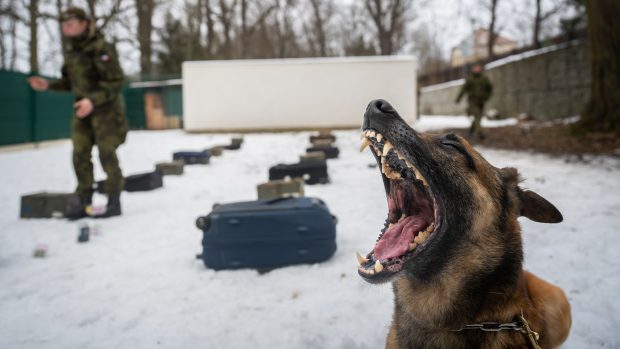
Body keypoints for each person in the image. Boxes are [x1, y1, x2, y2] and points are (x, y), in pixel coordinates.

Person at [28, 7, 128, 219]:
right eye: (63, 24)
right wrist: (48, 85)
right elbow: (69, 83)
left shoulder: (101, 48)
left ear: (84, 23)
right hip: (82, 109)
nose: (66, 27)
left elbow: (116, 82)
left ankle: (113, 200)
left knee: (106, 152)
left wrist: (92, 100)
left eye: (71, 22)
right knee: (79, 153)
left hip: (106, 110)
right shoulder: (72, 52)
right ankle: (84, 200)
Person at [455, 64, 493, 140]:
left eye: (478, 68)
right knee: (477, 115)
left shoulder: (484, 79)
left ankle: (471, 131)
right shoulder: (470, 79)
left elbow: (490, 88)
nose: (476, 70)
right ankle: (481, 133)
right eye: (475, 68)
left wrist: (487, 96)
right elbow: (463, 89)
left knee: (478, 117)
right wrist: (458, 98)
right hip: (472, 101)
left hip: (481, 101)